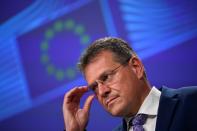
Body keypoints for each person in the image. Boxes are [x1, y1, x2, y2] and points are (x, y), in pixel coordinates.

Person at [62, 37, 197, 131]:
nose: (102, 91)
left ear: (136, 67)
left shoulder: (192, 101)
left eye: (106, 77)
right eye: (94, 87)